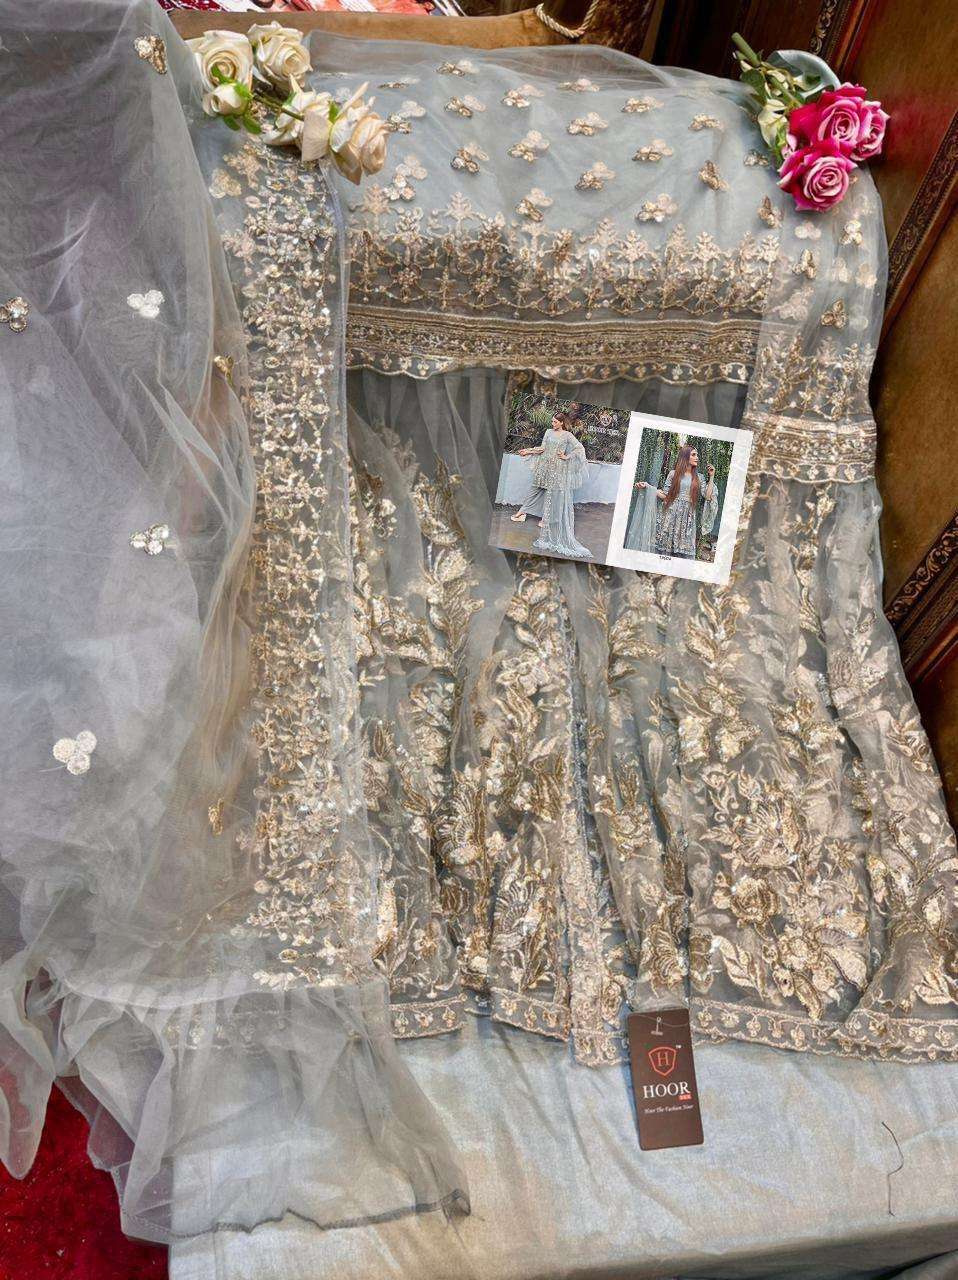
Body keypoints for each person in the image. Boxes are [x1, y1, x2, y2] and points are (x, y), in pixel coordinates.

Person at [510, 411, 592, 558]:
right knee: (535, 489)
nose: (552, 423)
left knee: (553, 495)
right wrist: (528, 451)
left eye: (555, 422)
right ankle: (522, 513)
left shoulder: (567, 435)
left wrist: (567, 456)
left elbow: (580, 448)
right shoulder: (548, 432)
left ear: (561, 423)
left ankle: (546, 520)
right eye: (552, 421)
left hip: (557, 470)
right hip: (544, 468)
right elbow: (543, 448)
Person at [637, 444, 717, 559]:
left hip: (687, 517)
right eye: (694, 455)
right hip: (670, 514)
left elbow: (708, 496)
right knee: (665, 549)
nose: (697, 457)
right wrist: (648, 487)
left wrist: (712, 476)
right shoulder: (673, 474)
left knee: (684, 550)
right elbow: (665, 496)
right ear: (685, 457)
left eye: (697, 455)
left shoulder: (699, 477)